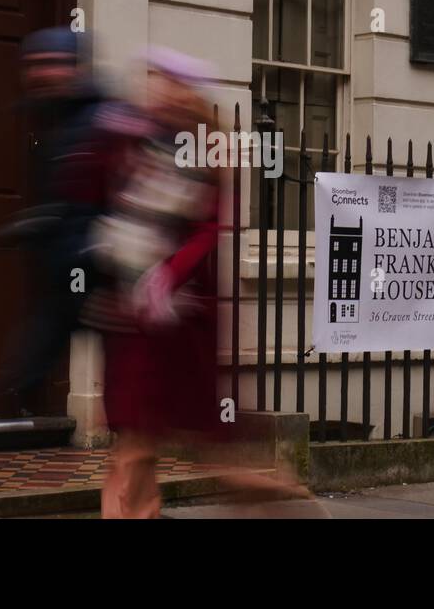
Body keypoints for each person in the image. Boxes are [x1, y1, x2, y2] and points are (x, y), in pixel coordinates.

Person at [87, 47, 321, 518]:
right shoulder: (135, 140)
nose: (154, 88)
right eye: (151, 79)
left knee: (205, 450)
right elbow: (112, 210)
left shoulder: (203, 152)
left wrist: (165, 277)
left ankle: (282, 498)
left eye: (166, 80)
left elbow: (208, 231)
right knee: (134, 445)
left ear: (186, 91)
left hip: (180, 324)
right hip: (131, 321)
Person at [0, 27, 145, 412]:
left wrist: (115, 279)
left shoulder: (102, 120)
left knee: (132, 402)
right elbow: (69, 200)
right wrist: (37, 223)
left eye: (52, 64)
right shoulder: (54, 119)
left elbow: (121, 199)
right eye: (34, 64)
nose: (41, 74)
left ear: (76, 68)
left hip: (101, 278)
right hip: (69, 278)